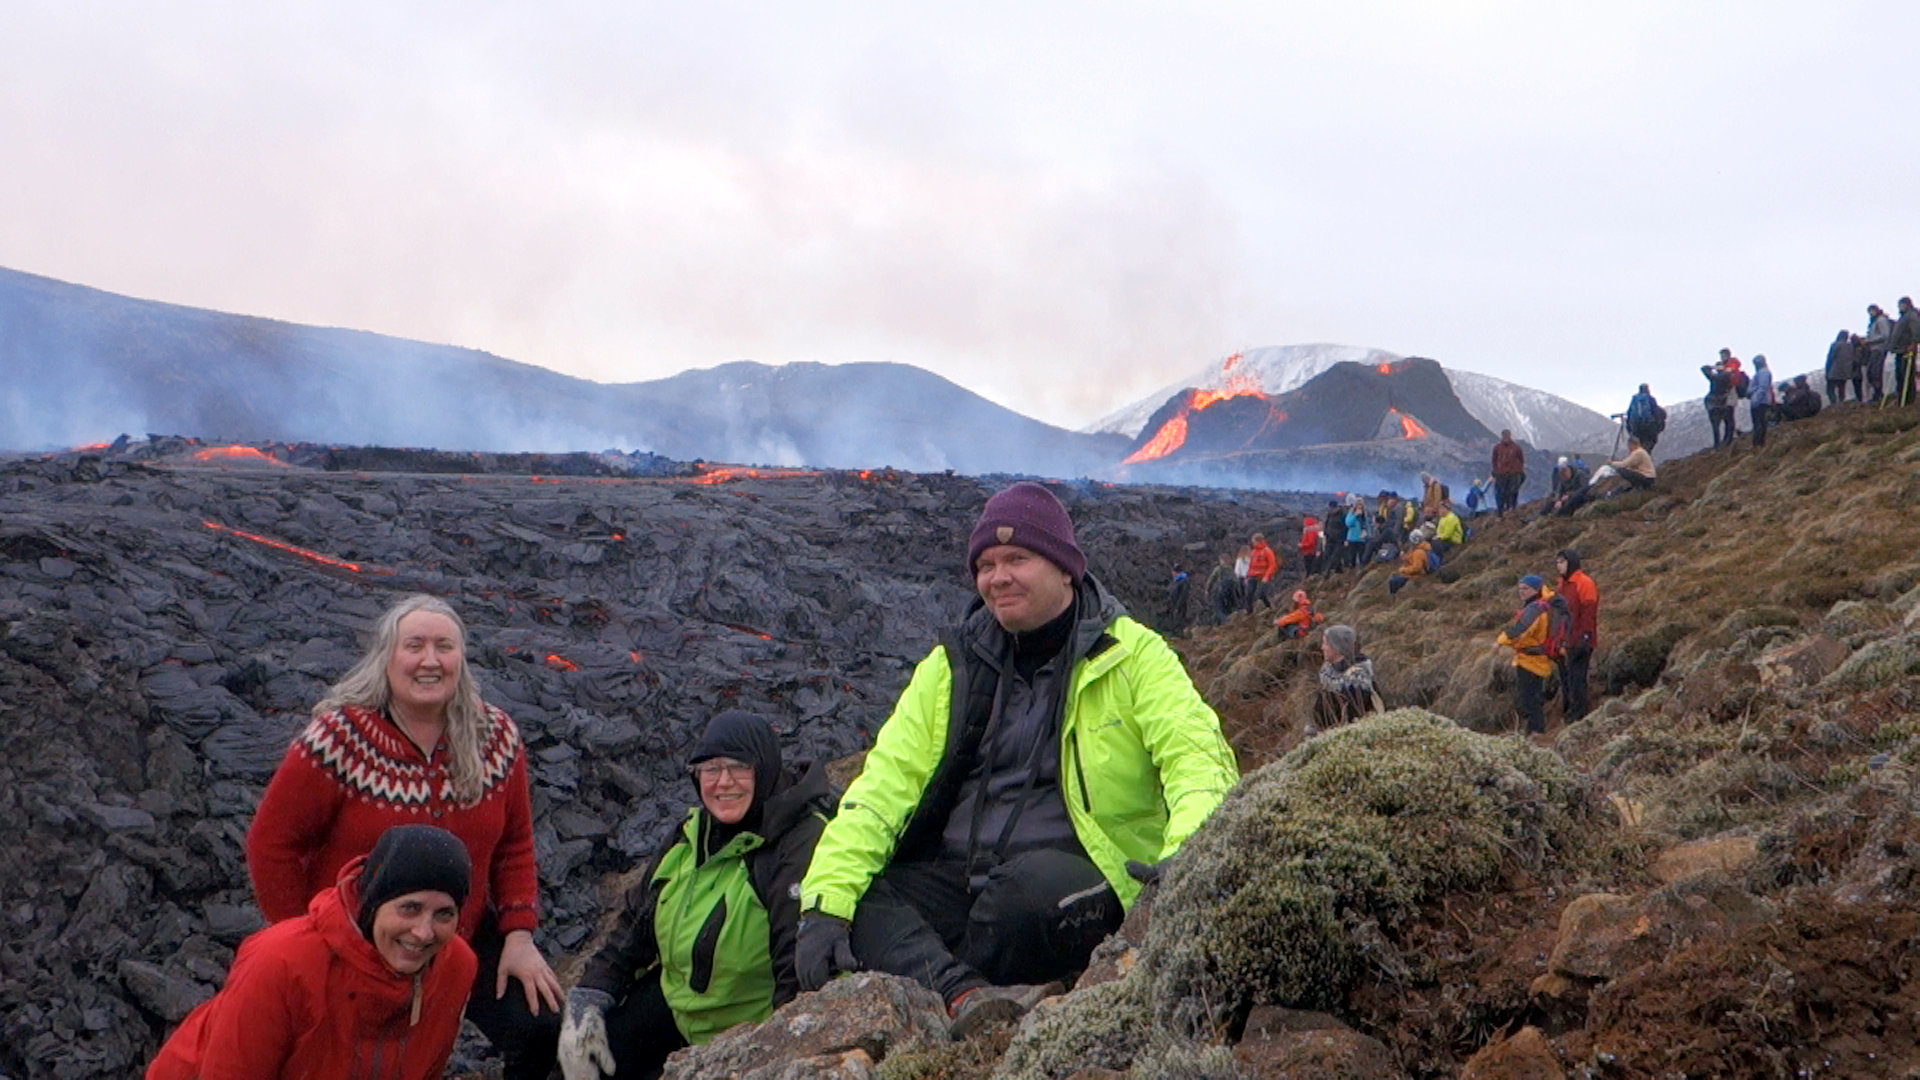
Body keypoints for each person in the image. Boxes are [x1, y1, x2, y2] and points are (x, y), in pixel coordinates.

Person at [792, 482, 1238, 1036]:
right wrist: (825, 904)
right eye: (985, 564)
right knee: (849, 893)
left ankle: (928, 970)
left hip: (1076, 877)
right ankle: (965, 995)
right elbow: (884, 785)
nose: (997, 577)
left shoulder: (1131, 654)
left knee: (1026, 900)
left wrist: (1185, 857)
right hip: (961, 876)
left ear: (1065, 568)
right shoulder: (952, 666)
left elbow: (1195, 758)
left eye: (1017, 559)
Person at [246, 594, 563, 1079]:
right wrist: (304, 942)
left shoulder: (495, 737)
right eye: (414, 646)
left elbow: (515, 842)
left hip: (457, 934)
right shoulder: (339, 738)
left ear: (462, 658)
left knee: (541, 1026)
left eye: (445, 646)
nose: (430, 660)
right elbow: (273, 845)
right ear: (387, 657)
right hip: (355, 941)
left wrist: (519, 935)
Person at [558, 712, 835, 1080]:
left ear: (765, 768)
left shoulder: (799, 844)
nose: (724, 782)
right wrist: (590, 995)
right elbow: (634, 926)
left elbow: (798, 971)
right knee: (575, 1063)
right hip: (678, 1008)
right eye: (710, 769)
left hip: (744, 1031)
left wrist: (775, 1056)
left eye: (739, 767)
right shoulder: (690, 834)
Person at [149, 825, 478, 1080]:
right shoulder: (281, 962)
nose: (423, 932)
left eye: (444, 914)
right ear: (374, 904)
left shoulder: (455, 968)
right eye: (409, 908)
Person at [1496, 576, 1554, 736]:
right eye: (1520, 588)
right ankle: (1533, 730)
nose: (1521, 592)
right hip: (1534, 658)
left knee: (1530, 697)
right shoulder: (1539, 605)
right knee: (1531, 696)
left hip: (1531, 659)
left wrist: (1501, 640)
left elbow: (1522, 631)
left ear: (1536, 590)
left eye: (1525, 588)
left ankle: (1536, 731)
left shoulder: (1535, 608)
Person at [1555, 550, 1599, 722]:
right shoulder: (1562, 585)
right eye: (1557, 562)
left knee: (1577, 678)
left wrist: (1584, 637)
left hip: (1580, 640)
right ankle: (1571, 711)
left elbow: (1589, 612)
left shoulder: (1584, 583)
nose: (1558, 565)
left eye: (1562, 561)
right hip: (1567, 639)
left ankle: (1580, 714)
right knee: (1568, 678)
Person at [1311, 624, 1380, 732]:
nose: (1322, 648)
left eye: (1325, 644)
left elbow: (1353, 720)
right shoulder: (1327, 671)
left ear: (1337, 647)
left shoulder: (1357, 680)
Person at [1588, 436, 1657, 496]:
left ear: (1632, 444)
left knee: (1621, 471)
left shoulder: (1638, 453)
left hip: (1646, 477)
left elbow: (1624, 464)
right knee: (1627, 474)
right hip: (1649, 478)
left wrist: (1611, 463)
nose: (1628, 448)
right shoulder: (1641, 452)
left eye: (1629, 445)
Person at [1701, 353, 1737, 448]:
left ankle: (1717, 444)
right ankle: (1727, 441)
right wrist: (1724, 368)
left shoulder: (1714, 377)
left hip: (1713, 404)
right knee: (1728, 422)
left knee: (1715, 426)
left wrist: (1714, 367)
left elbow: (1704, 368)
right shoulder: (1727, 376)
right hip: (1722, 403)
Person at [1890, 297, 1920, 406]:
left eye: (1901, 305)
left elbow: (1916, 330)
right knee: (1900, 375)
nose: (1899, 307)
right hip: (1900, 349)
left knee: (1906, 374)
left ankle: (1908, 399)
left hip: (1906, 349)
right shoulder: (1903, 317)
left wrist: (1913, 343)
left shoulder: (1911, 315)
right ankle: (1901, 398)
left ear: (1906, 304)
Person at [1386, 528, 1434, 596]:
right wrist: (1406, 558)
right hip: (1415, 574)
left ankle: (1393, 598)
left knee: (1393, 582)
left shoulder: (1419, 552)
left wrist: (1404, 570)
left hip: (1417, 576)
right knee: (1395, 578)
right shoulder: (1420, 549)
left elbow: (1416, 568)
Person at [1491, 430, 1526, 516]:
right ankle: (1501, 511)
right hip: (1501, 474)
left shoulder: (1516, 448)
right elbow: (1494, 460)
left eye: (1507, 435)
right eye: (1504, 435)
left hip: (1514, 474)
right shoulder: (1497, 448)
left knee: (1513, 491)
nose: (1506, 437)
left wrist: (1520, 471)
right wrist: (1496, 470)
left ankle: (1512, 508)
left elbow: (1521, 460)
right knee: (1501, 493)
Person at [1864, 304, 1894, 403]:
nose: (1870, 314)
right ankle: (1877, 393)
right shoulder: (1873, 322)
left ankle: (1878, 394)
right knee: (1871, 372)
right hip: (1874, 349)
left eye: (1871, 311)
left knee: (1875, 371)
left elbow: (1885, 335)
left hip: (1879, 349)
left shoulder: (1881, 320)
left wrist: (1870, 341)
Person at [1245, 532, 1279, 613]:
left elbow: (1272, 565)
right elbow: (1251, 565)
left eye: (1254, 542)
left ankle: (1269, 607)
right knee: (1248, 594)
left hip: (1263, 576)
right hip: (1253, 576)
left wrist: (1266, 576)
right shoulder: (1253, 552)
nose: (1252, 543)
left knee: (1261, 594)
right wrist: (1247, 576)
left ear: (1259, 541)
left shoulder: (1267, 551)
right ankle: (1249, 613)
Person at [1624, 384, 1665, 451]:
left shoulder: (1634, 400)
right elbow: (1656, 413)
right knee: (1648, 445)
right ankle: (1645, 457)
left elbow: (1629, 414)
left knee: (1639, 445)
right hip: (1649, 428)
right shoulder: (1651, 399)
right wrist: (1658, 427)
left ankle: (1640, 457)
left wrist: (1630, 429)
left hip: (1636, 428)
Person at [1748, 355, 1775, 447]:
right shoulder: (1762, 372)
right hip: (1762, 401)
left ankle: (1758, 444)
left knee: (1759, 424)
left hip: (1760, 402)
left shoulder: (1763, 372)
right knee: (1760, 424)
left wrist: (1755, 399)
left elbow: (1763, 387)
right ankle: (1759, 444)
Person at [1825, 330, 1859, 405]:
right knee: (1841, 388)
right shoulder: (1850, 346)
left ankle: (1833, 403)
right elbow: (1853, 358)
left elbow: (1830, 358)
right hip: (1846, 370)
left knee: (1830, 389)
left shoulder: (1835, 345)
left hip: (1834, 370)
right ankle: (1841, 403)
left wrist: (1827, 370)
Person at [1204, 552, 1237, 626]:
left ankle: (1225, 621)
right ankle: (1229, 621)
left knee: (1218, 608)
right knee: (1228, 607)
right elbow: (1236, 581)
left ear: (1221, 560)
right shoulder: (1231, 569)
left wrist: (1207, 590)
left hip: (1220, 590)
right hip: (1231, 592)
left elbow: (1211, 580)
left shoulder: (1218, 569)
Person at [1343, 496, 1371, 571]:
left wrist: (1369, 535)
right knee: (1352, 558)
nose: (1359, 506)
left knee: (1362, 557)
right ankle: (1351, 571)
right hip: (1352, 539)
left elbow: (1368, 525)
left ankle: (1360, 571)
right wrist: (1355, 515)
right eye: (1358, 505)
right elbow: (1348, 523)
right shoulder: (1351, 513)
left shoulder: (1365, 515)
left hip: (1362, 539)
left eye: (1361, 505)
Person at [1164, 565, 1192, 632]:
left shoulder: (1184, 580)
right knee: (1174, 617)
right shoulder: (1176, 580)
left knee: (1179, 618)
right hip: (1173, 602)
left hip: (1180, 603)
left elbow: (1183, 594)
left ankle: (1179, 632)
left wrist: (1178, 604)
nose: (1172, 574)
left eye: (1173, 572)